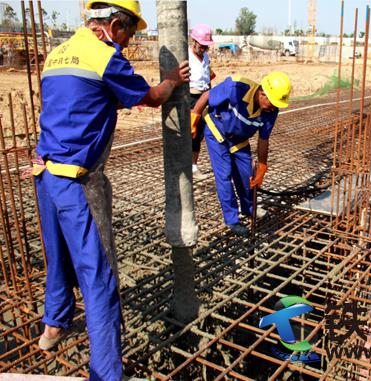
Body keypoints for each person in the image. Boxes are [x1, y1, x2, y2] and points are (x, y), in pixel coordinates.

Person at [32, 1, 189, 380]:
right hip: (77, 184)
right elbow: (152, 97)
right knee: (99, 280)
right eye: (129, 34)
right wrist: (172, 80)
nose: (127, 43)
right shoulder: (105, 57)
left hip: (45, 175)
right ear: (115, 24)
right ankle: (106, 373)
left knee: (58, 258)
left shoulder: (58, 53)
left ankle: (53, 325)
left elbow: (84, 99)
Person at [191, 72, 292, 237]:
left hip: (239, 137)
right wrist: (194, 116)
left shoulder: (271, 110)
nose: (273, 107)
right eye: (272, 103)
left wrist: (262, 166)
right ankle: (231, 219)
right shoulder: (236, 87)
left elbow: (263, 139)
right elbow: (207, 95)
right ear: (262, 93)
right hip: (218, 130)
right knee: (224, 174)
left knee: (246, 175)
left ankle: (249, 208)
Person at [189, 23, 216, 181]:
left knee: (199, 134)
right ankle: (185, 167)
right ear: (194, 41)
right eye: (202, 45)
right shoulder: (187, 56)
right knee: (189, 133)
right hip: (190, 98)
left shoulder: (205, 57)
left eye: (206, 46)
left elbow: (208, 78)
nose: (204, 49)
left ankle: (193, 166)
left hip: (205, 98)